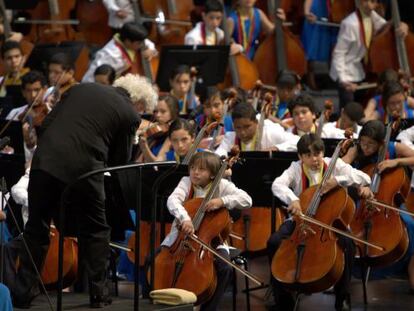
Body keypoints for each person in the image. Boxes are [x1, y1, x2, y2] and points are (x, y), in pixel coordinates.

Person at [0, 74, 155, 308]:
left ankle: (23, 292)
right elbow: (120, 161)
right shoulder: (130, 113)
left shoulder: (81, 88)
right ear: (140, 104)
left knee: (36, 227)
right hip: (83, 170)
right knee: (96, 230)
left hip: (44, 163)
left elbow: (48, 124)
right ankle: (99, 293)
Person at [268, 133, 372, 310]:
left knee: (348, 244)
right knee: (273, 242)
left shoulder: (334, 164)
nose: (313, 159)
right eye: (308, 155)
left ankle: (342, 296)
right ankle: (282, 297)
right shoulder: (295, 168)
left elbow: (365, 178)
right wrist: (293, 199)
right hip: (300, 220)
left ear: (322, 153)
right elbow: (277, 184)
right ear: (300, 157)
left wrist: (337, 181)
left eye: (316, 154)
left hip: (329, 222)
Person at [160, 151, 252, 310]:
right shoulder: (186, 182)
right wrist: (185, 218)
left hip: (211, 242)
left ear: (212, 174)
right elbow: (173, 200)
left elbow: (247, 200)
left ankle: (209, 308)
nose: (195, 172)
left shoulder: (223, 185)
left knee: (225, 268)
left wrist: (222, 200)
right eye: (193, 167)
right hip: (181, 239)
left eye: (201, 169)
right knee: (152, 261)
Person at [342, 120, 414, 293]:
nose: (365, 148)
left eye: (371, 145)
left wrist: (396, 162)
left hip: (388, 203)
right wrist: (357, 182)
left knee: (410, 225)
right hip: (363, 202)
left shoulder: (392, 147)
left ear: (381, 143)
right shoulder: (356, 149)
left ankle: (409, 273)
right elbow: (341, 166)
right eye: (363, 142)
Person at [329, 0, 408, 108]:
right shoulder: (349, 23)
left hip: (359, 69)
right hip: (345, 70)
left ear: (376, 4)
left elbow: (387, 27)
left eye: (372, 1)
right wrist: (344, 79)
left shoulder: (373, 16)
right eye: (365, 1)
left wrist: (402, 25)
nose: (368, 5)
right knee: (349, 107)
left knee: (361, 103)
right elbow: (338, 54)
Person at [82, 22, 157, 83]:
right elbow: (93, 79)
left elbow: (147, 43)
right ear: (128, 41)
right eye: (139, 43)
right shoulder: (112, 55)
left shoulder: (127, 39)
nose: (142, 45)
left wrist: (151, 49)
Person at [215, 102, 299, 156]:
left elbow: (298, 141)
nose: (243, 132)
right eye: (238, 128)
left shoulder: (270, 132)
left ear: (256, 122)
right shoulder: (230, 137)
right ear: (233, 125)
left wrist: (276, 148)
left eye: (247, 127)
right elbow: (218, 155)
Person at [5, 70, 48, 163]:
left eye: (37, 90)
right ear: (23, 92)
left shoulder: (52, 113)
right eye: (28, 90)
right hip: (17, 162)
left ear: (45, 90)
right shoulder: (15, 113)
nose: (33, 95)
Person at [301, 0, 338, 89]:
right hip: (316, 12)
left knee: (333, 46)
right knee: (312, 47)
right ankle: (310, 78)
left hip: (335, 11)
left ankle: (333, 77)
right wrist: (307, 12)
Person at [137, 94, 180, 162]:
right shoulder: (155, 131)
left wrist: (145, 148)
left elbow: (158, 164)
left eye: (163, 111)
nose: (158, 115)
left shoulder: (173, 134)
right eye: (155, 111)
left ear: (173, 112)